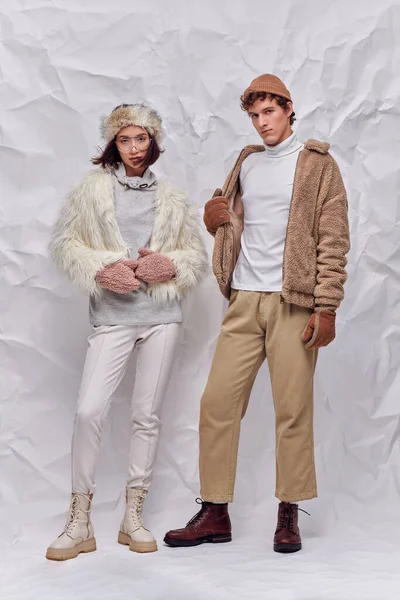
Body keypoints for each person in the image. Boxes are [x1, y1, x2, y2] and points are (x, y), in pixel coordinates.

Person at [164, 74, 350, 553]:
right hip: (244, 299)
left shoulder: (318, 165)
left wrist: (326, 307)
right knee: (217, 404)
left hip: (294, 302)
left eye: (269, 111)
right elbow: (230, 216)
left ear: (289, 109)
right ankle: (215, 512)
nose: (261, 122)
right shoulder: (246, 160)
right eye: (254, 114)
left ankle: (289, 511)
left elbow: (333, 239)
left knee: (292, 409)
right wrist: (216, 219)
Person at [46, 103, 208, 561]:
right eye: (124, 139)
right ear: (112, 143)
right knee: (88, 411)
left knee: (146, 417)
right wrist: (100, 269)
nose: (134, 148)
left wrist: (169, 265)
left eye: (141, 139)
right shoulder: (91, 190)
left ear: (153, 142)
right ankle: (79, 521)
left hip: (161, 317)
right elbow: (65, 244)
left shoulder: (172, 197)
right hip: (113, 316)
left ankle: (132, 516)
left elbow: (193, 256)